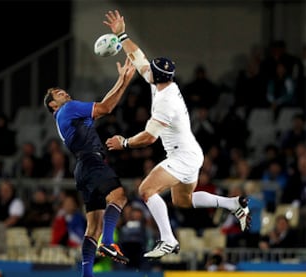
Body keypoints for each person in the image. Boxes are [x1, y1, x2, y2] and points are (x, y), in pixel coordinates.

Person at [103, 10, 251, 259]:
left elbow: (149, 138)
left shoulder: (165, 101)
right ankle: (233, 204)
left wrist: (124, 142)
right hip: (190, 153)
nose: (146, 69)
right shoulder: (161, 82)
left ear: (157, 75)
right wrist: (122, 34)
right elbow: (139, 57)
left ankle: (168, 240)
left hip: (183, 156)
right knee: (183, 201)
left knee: (146, 190)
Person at [43, 57, 136, 277]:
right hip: (91, 162)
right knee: (119, 197)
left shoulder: (66, 116)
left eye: (63, 90)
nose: (64, 92)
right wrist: (123, 81)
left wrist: (122, 81)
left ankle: (87, 274)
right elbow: (107, 107)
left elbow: (104, 103)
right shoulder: (69, 109)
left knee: (93, 227)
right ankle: (109, 242)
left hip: (81, 169)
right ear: (52, 105)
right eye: (58, 93)